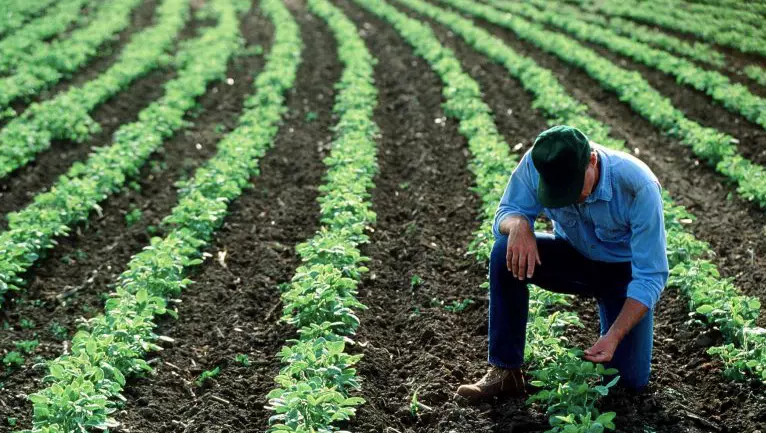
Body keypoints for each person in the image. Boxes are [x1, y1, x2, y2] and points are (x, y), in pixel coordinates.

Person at [456, 125, 668, 400]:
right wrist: (519, 224)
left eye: (573, 189)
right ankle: (505, 371)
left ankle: (620, 354)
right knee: (502, 252)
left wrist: (614, 335)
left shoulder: (638, 186)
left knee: (628, 384)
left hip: (622, 275)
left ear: (592, 160)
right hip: (572, 258)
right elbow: (506, 212)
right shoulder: (540, 162)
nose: (570, 199)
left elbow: (650, 276)